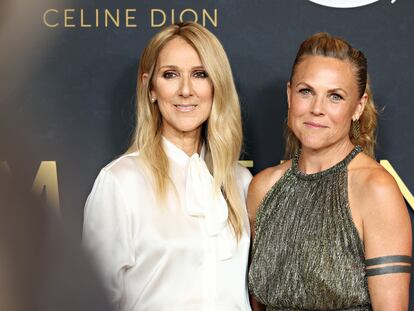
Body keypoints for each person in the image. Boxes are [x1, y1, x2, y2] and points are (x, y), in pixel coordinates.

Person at [83, 22, 252, 311]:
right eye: (170, 75)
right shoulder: (121, 182)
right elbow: (92, 300)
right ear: (150, 88)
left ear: (217, 86)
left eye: (200, 74)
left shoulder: (240, 180)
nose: (186, 90)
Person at [248, 33, 412, 310]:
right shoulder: (262, 188)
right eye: (306, 91)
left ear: (358, 107)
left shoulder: (375, 189)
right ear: (289, 95)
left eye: (334, 96)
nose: (316, 109)